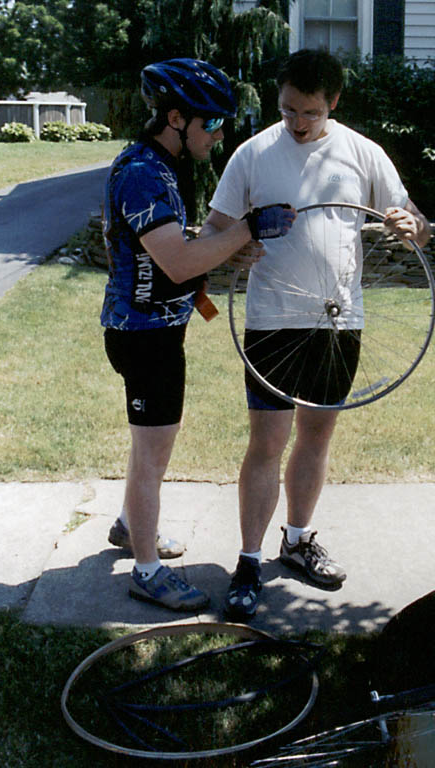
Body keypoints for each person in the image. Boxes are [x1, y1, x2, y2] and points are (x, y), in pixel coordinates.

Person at [201, 48, 431, 620]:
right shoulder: (253, 154)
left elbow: (416, 226)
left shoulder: (362, 152)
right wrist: (237, 248)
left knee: (317, 435)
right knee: (267, 442)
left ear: (334, 102)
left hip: (338, 321)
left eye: (309, 112)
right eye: (287, 110)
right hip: (272, 321)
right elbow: (214, 230)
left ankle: (298, 540)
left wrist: (410, 226)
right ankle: (250, 561)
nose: (298, 123)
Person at [101, 58, 295, 612]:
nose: (219, 134)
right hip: (144, 336)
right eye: (210, 124)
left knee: (148, 444)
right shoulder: (142, 172)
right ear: (174, 117)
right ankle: (146, 569)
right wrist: (248, 228)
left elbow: (170, 254)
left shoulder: (160, 165)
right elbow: (179, 262)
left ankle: (127, 525)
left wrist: (231, 245)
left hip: (153, 329)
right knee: (152, 454)